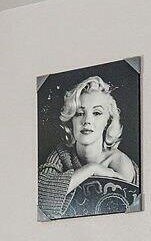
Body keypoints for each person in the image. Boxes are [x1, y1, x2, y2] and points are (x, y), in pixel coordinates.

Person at [39, 73, 141, 217]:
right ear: (71, 120)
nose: (87, 120)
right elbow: (40, 199)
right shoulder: (61, 155)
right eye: (80, 113)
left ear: (108, 121)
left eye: (97, 113)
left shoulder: (120, 163)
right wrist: (92, 169)